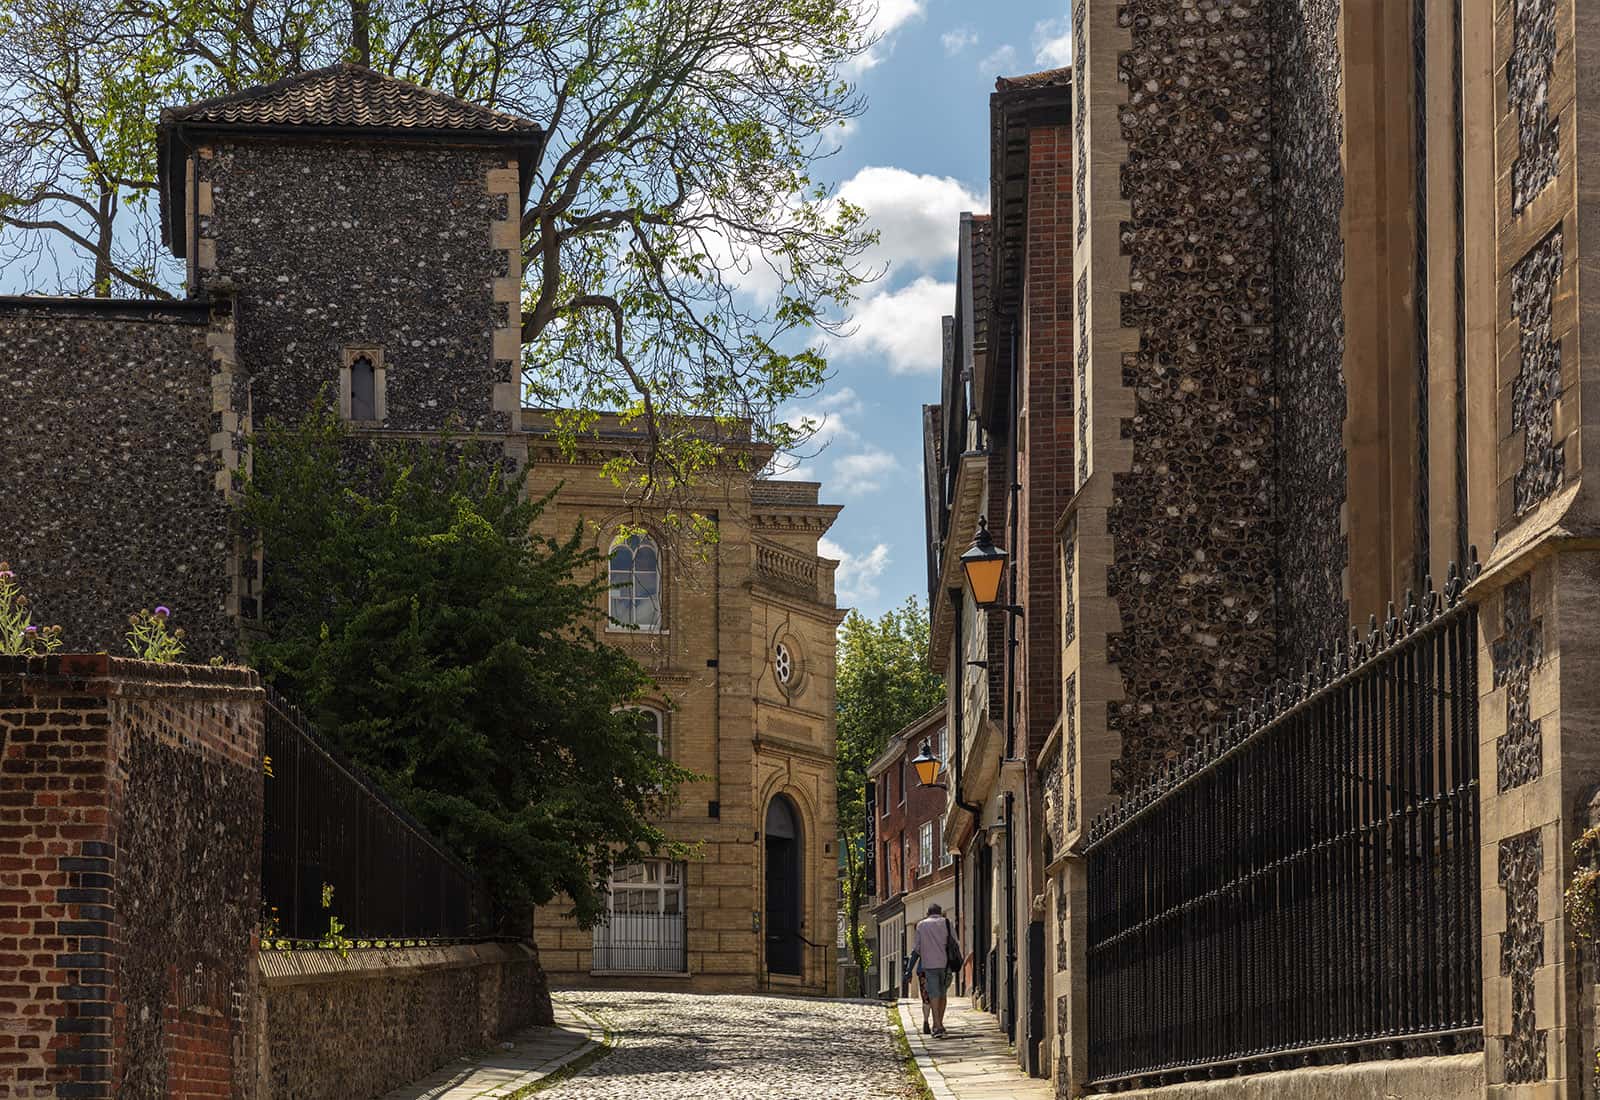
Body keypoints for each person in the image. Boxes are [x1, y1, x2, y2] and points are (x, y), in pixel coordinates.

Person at [912, 903, 958, 1037]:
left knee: (933, 994)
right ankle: (940, 1024)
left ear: (928, 913)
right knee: (943, 994)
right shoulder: (947, 923)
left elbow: (917, 948)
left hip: (929, 965)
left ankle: (936, 1025)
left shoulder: (921, 925)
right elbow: (955, 942)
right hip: (945, 964)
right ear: (941, 912)